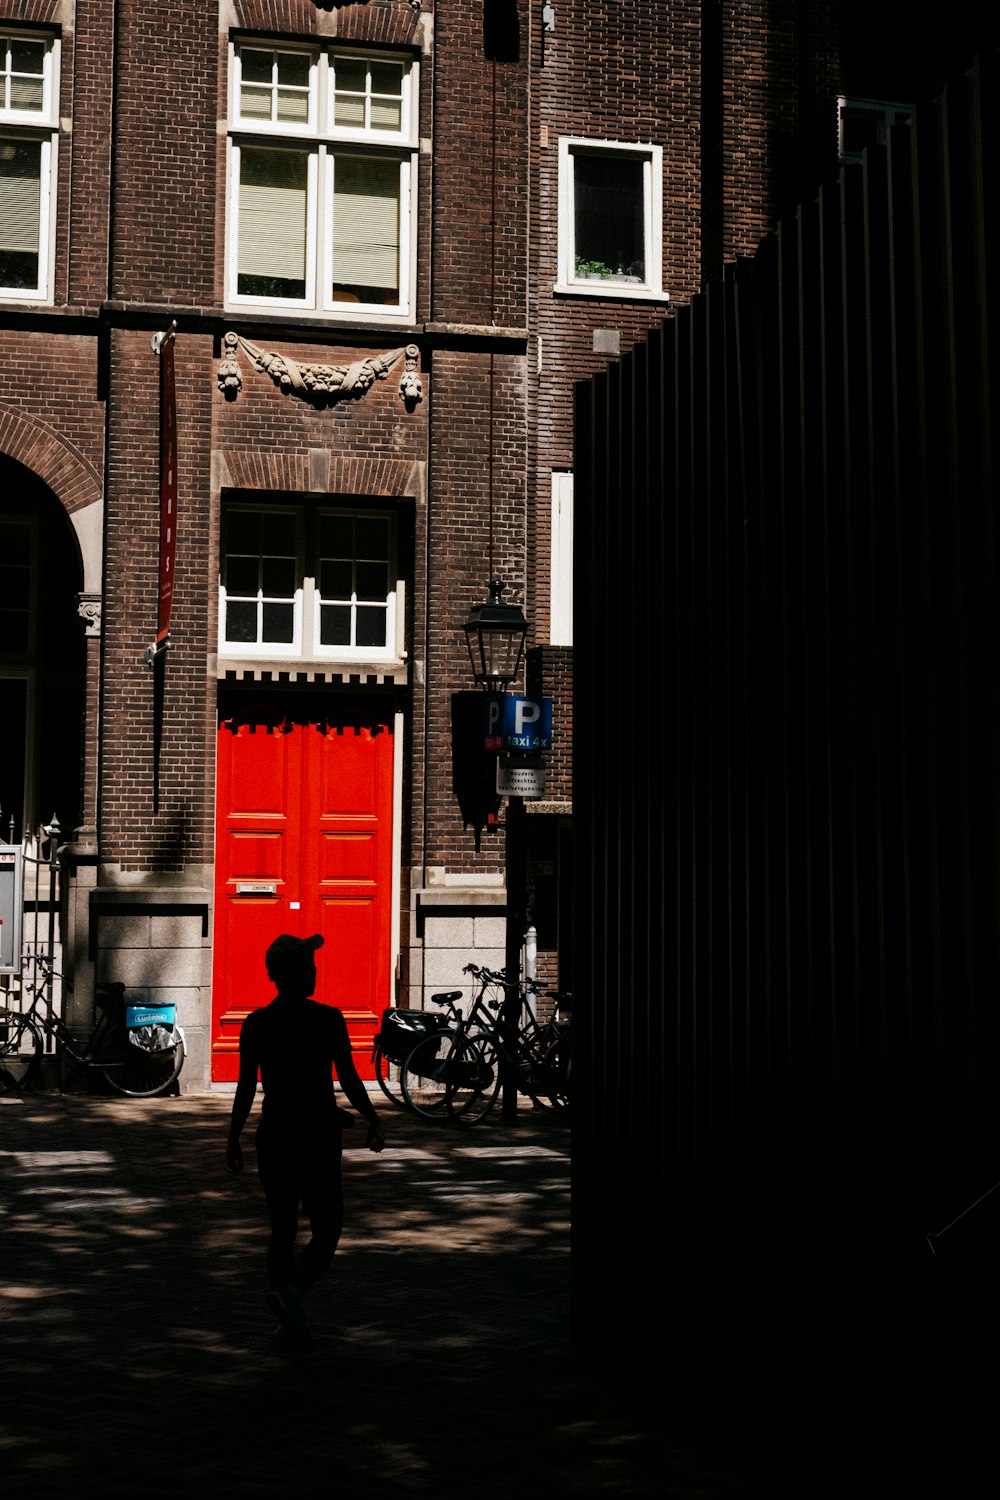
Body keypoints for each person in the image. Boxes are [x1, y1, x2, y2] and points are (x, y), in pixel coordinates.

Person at [225, 932, 385, 1350]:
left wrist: (233, 1138)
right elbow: (348, 1078)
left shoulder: (256, 1024)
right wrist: (372, 1118)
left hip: (275, 1132)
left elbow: (245, 1088)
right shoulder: (328, 1018)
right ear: (302, 973)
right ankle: (293, 1295)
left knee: (281, 1228)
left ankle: (286, 1318)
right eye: (311, 967)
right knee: (328, 1225)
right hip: (317, 1135)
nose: (316, 972)